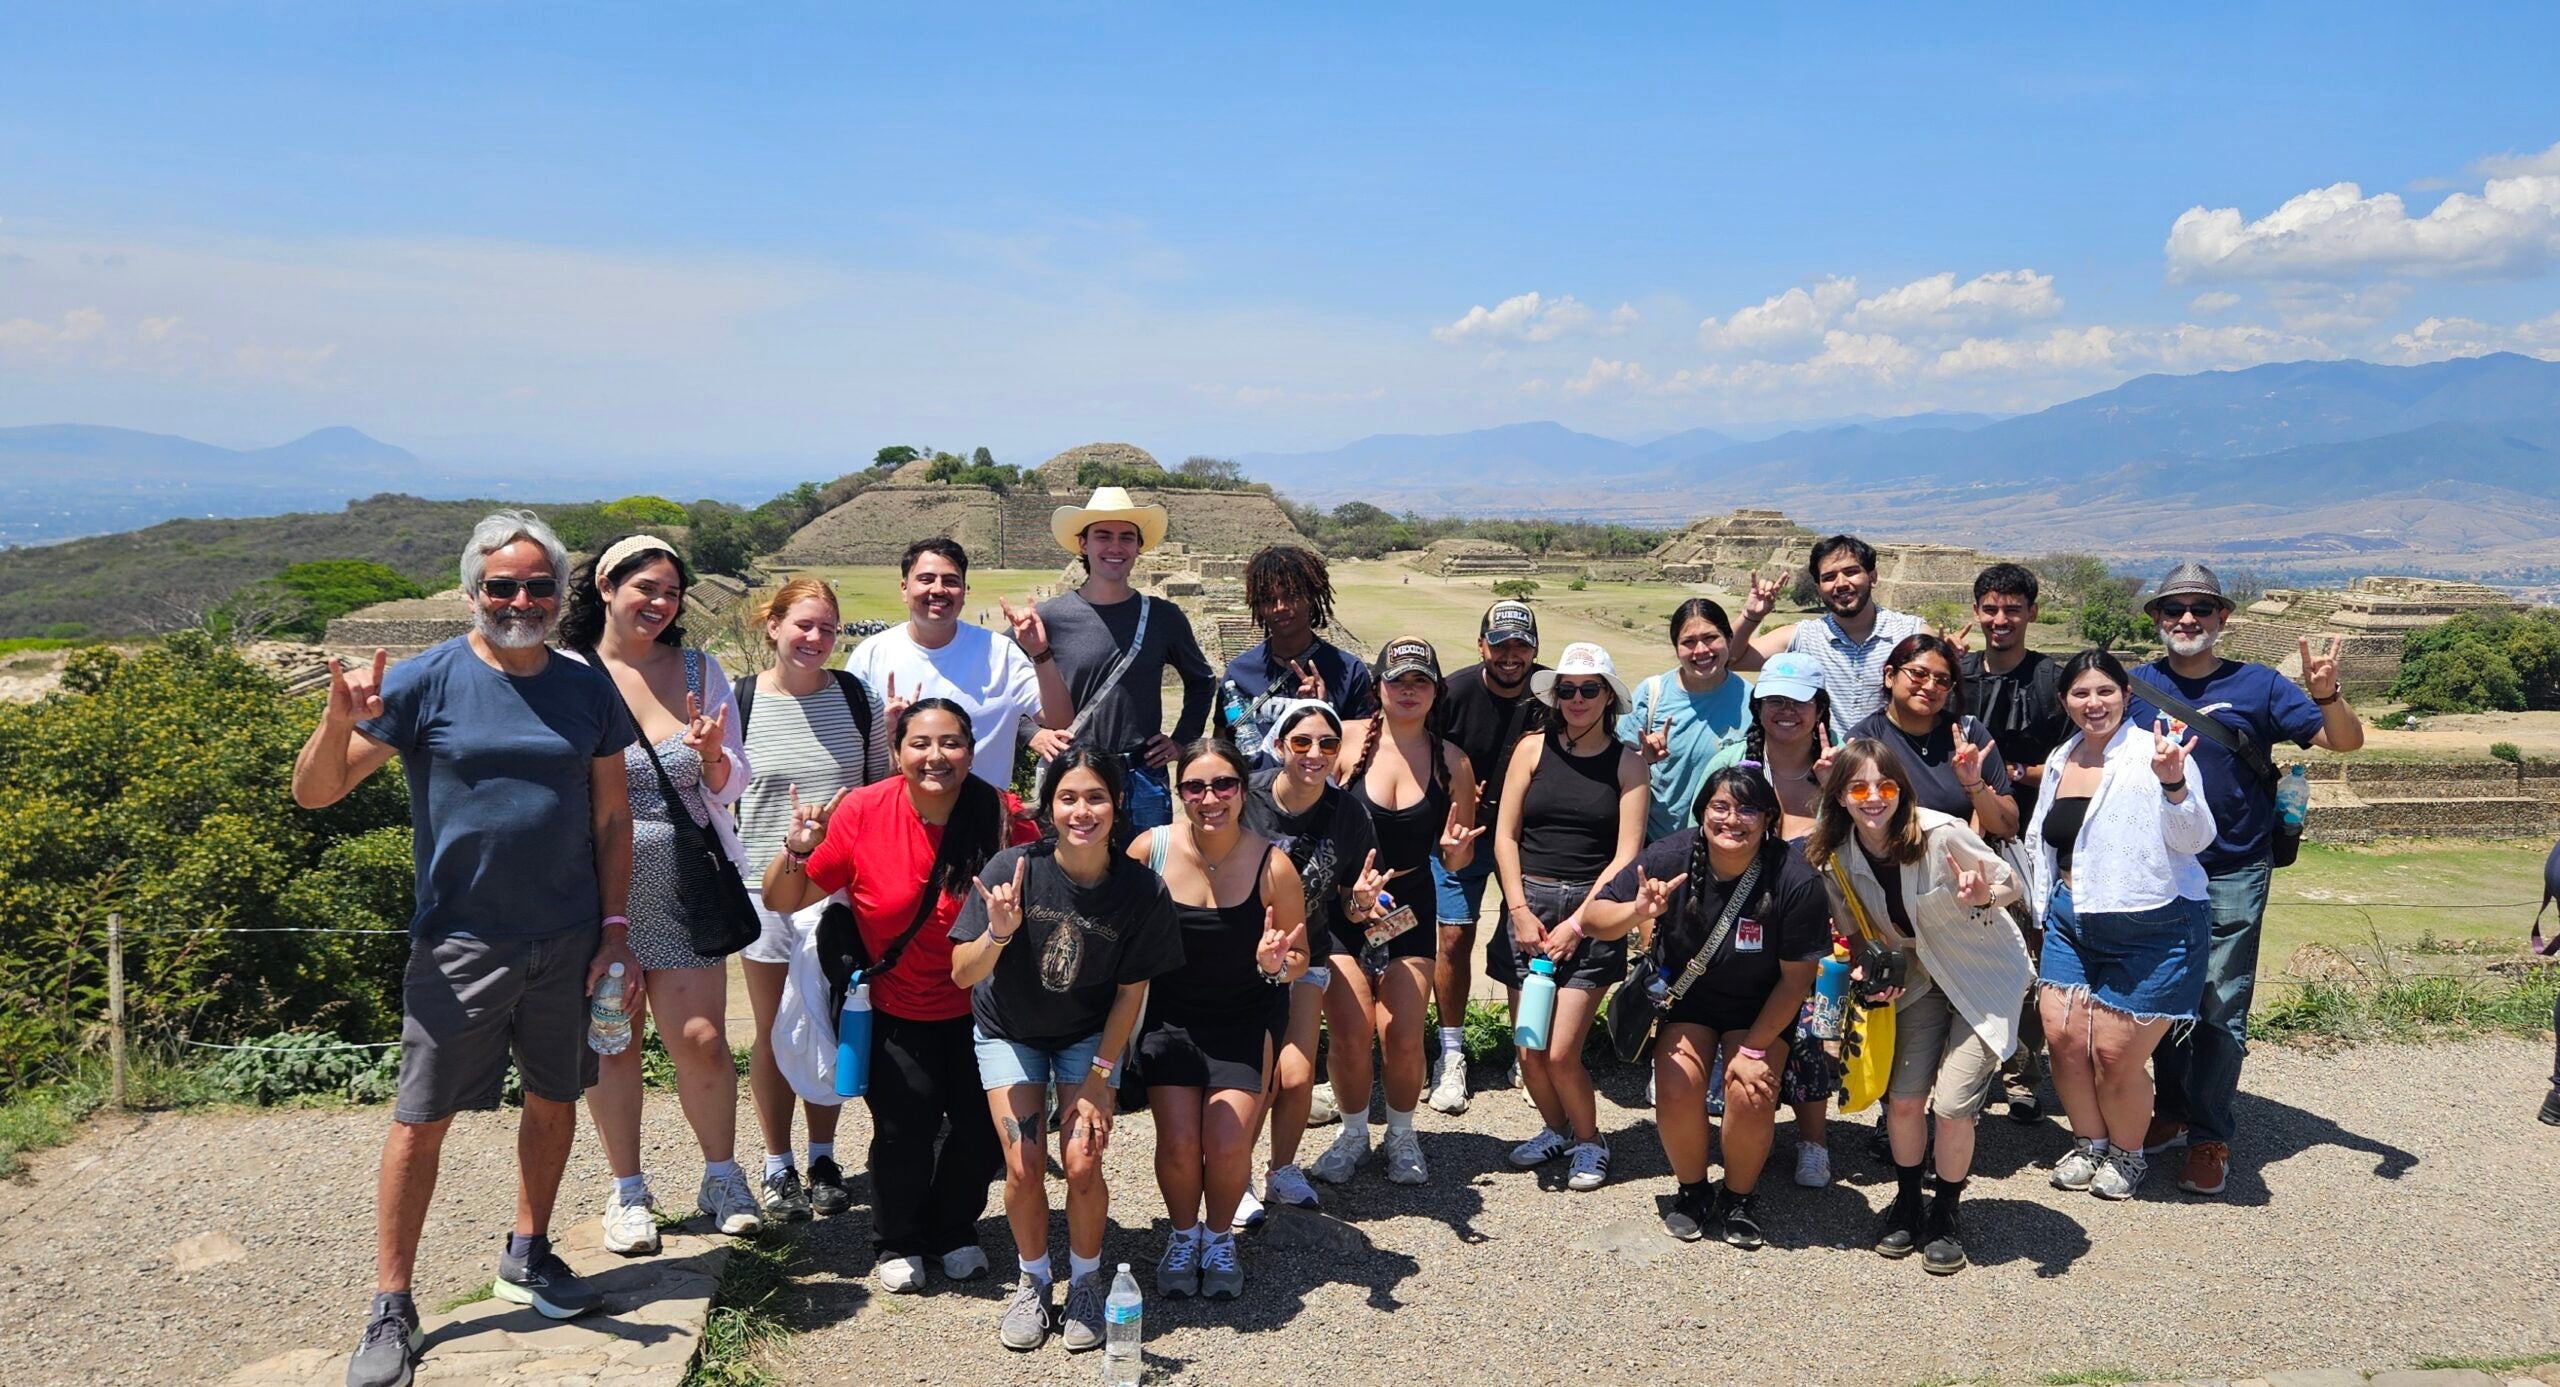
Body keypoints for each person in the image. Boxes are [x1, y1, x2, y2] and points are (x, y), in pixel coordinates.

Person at [292, 510, 634, 1387]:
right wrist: (338, 722)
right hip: (459, 942)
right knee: (420, 1121)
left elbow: (610, 816)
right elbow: (317, 793)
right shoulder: (424, 679)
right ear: (472, 591)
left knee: (556, 1099)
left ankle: (530, 1250)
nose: (520, 600)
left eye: (537, 586)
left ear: (561, 595)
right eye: (501, 586)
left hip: (565, 937)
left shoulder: (584, 684)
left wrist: (615, 930)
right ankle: (391, 1302)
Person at [760, 699, 1034, 1294]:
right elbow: (785, 898)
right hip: (896, 1002)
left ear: (971, 749)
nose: (936, 756)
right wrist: (800, 846)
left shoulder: (1001, 815)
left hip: (985, 1008)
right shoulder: (863, 810)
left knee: (981, 1130)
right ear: (897, 752)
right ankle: (899, 1238)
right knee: (902, 1127)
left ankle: (954, 1229)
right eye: (920, 743)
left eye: (952, 743)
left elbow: (1045, 884)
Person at [2129, 562, 2363, 1197]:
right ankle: (2173, 1110)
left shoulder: (2258, 686)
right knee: (2165, 999)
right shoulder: (2134, 685)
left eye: (2200, 610)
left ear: (2221, 619)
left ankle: (2210, 1132)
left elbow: (2344, 742)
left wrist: (2326, 692)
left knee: (2221, 1004)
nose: (2187, 620)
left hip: (2233, 865)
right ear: (2155, 618)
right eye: (2173, 609)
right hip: (2160, 870)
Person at [559, 535, 762, 1252]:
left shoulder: (702, 671)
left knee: (702, 1041)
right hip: (592, 886)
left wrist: (711, 754)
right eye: (645, 586)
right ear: (607, 586)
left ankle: (721, 1175)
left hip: (681, 880)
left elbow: (734, 780)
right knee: (612, 1041)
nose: (659, 602)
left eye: (672, 591)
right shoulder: (567, 673)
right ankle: (628, 1190)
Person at [950, 749, 1184, 1354]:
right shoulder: (1013, 867)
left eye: (1097, 797)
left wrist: (1102, 1078)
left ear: (1117, 804)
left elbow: (1133, 991)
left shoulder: (1141, 889)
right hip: (1010, 1029)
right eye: (1069, 798)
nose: (1083, 811)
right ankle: (1033, 1281)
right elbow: (960, 973)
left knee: (1082, 1163)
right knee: (1024, 1164)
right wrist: (999, 932)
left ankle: (1085, 1280)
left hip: (1087, 1033)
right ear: (1048, 806)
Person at [1805, 738, 2031, 1275]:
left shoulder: (1941, 833)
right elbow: (1854, 933)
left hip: (1982, 975)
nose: (1873, 797)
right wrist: (1866, 968)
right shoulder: (1836, 856)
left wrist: (1983, 895)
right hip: (1916, 978)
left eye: (1885, 786)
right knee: (1903, 1102)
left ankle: (1947, 1212)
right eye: (1858, 787)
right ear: (1840, 797)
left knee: (1953, 1106)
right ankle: (1909, 1201)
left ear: (1900, 789)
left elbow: (2011, 884)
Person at [1583, 765, 1828, 1248]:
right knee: (1676, 1087)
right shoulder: (1669, 855)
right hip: (1687, 1000)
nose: (1732, 819)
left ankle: (1739, 1197)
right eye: (1720, 806)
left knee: (1749, 1090)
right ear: (1702, 813)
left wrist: (1752, 1050)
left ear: (1769, 819)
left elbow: (1797, 980)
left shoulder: (1795, 879)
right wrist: (1638, 912)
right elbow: (1593, 920)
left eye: (1748, 809)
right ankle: (1692, 1190)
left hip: (1761, 1007)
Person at [2024, 650, 2216, 1204]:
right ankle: (2091, 1142)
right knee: (2061, 1040)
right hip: (2072, 918)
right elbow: (2047, 841)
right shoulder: (2062, 757)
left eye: (2105, 691)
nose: (2094, 703)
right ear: (2065, 702)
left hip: (2154, 927)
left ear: (2126, 695)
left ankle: (2127, 1154)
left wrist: (2175, 784)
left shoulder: (2156, 753)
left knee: (2114, 1054)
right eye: (2081, 693)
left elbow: (2195, 839)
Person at [1129, 737, 1310, 1302]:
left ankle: (1218, 1238)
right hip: (1170, 1021)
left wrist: (1276, 966)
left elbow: (1299, 957)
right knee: (1180, 1143)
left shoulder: (1273, 863)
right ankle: (1183, 1237)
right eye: (1195, 786)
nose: (1210, 798)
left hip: (1243, 1020)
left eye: (1223, 785)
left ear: (1241, 790)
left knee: (1228, 1142)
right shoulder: (1149, 850)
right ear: (1180, 793)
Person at [734, 577, 890, 1222]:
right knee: (774, 1031)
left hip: (835, 893)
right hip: (763, 891)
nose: (816, 639)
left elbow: (880, 787)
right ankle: (777, 1164)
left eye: (827, 628)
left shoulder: (858, 699)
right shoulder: (740, 702)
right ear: (771, 626)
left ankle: (824, 1156)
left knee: (826, 1023)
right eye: (803, 625)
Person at [1324, 641, 1483, 1188]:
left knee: (1402, 1033)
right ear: (1378, 688)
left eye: (1420, 681)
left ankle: (1402, 1133)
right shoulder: (1343, 741)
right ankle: (1351, 1133)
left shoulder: (1453, 761)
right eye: (1397, 680)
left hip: (1410, 910)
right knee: (1348, 1032)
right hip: (1345, 906)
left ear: (1436, 690)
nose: (1408, 690)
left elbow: (1452, 853)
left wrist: (1459, 852)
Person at [1493, 641, 1646, 1192]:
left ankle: (1590, 1140)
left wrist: (1577, 924)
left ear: (1608, 696)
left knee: (1560, 1053)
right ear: (1554, 696)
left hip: (1592, 907)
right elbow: (1505, 835)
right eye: (1567, 689)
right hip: (1527, 905)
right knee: (1529, 1050)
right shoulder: (1531, 750)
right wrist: (1516, 909)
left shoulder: (1629, 762)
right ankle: (1555, 1128)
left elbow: (1626, 856)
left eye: (1589, 689)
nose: (1577, 699)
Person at [1705, 650, 1845, 1186]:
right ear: (1759, 706)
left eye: (1799, 701)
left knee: (1810, 1041)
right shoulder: (1735, 762)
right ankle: (1736, 1134)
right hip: (1741, 926)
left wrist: (1834, 792)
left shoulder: (1843, 768)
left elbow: (1871, 838)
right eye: (1774, 701)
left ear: (1818, 709)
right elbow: (1705, 828)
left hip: (1819, 931)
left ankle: (1814, 1142)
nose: (1786, 712)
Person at [1243, 701, 1386, 1213]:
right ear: (1279, 745)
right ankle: (1234, 1178)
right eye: (1301, 742)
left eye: (1328, 744)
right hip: (1241, 957)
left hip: (1306, 953)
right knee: (1253, 1076)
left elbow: (1348, 902)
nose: (1315, 754)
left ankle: (1281, 1169)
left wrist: (1363, 903)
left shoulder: (1349, 813)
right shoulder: (1245, 796)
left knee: (1298, 1074)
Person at [1425, 599, 1548, 1114]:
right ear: (1482, 647)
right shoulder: (1452, 691)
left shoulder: (1553, 691)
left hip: (1528, 831)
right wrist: (1449, 784)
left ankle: (1528, 1050)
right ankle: (1451, 1051)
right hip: (1463, 829)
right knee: (1453, 935)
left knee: (1530, 937)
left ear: (1535, 649)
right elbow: (1420, 745)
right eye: (1500, 645)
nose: (1510, 656)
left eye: (1521, 645)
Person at [1038, 486, 1217, 830]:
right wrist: (1031, 732)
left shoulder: (1164, 617)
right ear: (1083, 544)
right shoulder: (1051, 617)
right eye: (1103, 535)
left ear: (1138, 548)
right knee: (1074, 877)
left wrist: (1182, 738)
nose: (1115, 547)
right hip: (1073, 775)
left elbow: (1202, 681)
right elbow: (999, 677)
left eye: (1127, 537)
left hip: (1141, 775)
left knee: (1145, 876)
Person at [1958, 562, 2067, 1121]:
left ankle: (2021, 1071)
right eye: (1991, 609)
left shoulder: (2053, 680)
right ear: (1977, 612)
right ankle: (1962, 1069)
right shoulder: (1954, 674)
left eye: (2013, 610)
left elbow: (2077, 756)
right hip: (1957, 834)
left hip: (2029, 837)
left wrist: (2016, 773)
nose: (2001, 620)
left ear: (2032, 614)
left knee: (2027, 954)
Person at [847, 538, 1071, 786]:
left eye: (951, 581)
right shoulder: (870, 655)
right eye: (926, 579)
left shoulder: (999, 652)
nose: (938, 589)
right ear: (904, 588)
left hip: (983, 815)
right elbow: (852, 750)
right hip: (899, 817)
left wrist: (1040, 652)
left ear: (964, 591)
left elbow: (1058, 719)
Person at [1731, 534, 1929, 740]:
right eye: (1829, 577)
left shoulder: (1911, 633)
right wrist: (1750, 617)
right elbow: (1731, 659)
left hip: (1893, 767)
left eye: (1851, 572)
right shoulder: (1803, 637)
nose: (1841, 583)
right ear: (1818, 589)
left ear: (1873, 577)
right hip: (1825, 766)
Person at [1847, 632, 2019, 841]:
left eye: (1942, 680)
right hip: (1892, 869)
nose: (1930, 686)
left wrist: (1974, 784)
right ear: (1890, 676)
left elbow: (2008, 827)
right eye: (1919, 674)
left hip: (1965, 870)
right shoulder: (1864, 741)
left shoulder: (1969, 734)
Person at [1219, 544, 1378, 766]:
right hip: (1256, 796)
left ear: (1311, 596)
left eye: (1291, 596)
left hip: (1320, 796)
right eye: (1268, 599)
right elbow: (1224, 744)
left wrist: (1322, 709)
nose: (1280, 607)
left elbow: (1361, 749)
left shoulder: (1348, 672)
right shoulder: (1239, 672)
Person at [1621, 598, 1752, 843]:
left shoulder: (1754, 701)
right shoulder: (1651, 695)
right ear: (1676, 648)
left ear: (1730, 639)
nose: (1701, 650)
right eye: (1688, 642)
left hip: (1728, 847)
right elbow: (1615, 772)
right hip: (1655, 845)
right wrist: (1643, 760)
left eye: (1711, 638)